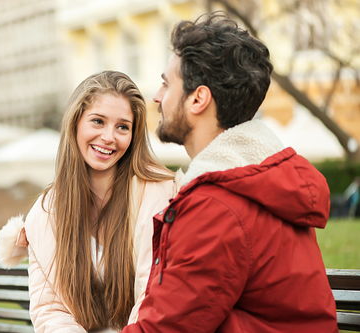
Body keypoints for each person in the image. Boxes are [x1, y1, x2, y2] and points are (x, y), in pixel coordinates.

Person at [121, 13, 337, 333]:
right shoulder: (256, 180)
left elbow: (163, 329)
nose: (156, 95)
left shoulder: (215, 206)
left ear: (198, 98)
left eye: (167, 83)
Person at [0, 71, 176, 332]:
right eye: (98, 121)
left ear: (134, 135)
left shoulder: (160, 194)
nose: (109, 137)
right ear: (75, 123)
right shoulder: (48, 211)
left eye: (122, 126)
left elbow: (156, 294)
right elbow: (50, 308)